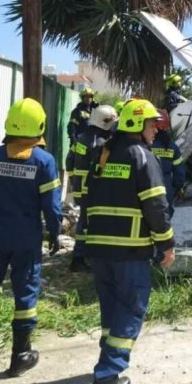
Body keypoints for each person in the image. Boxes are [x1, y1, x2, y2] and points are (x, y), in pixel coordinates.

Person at [83, 98, 174, 384]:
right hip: (131, 250)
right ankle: (108, 374)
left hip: (99, 250)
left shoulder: (103, 153)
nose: (155, 131)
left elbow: (87, 197)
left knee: (111, 308)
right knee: (132, 306)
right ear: (137, 125)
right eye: (151, 124)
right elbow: (156, 206)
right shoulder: (141, 156)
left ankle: (107, 359)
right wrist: (166, 244)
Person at [0, 98, 61, 377]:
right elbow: (51, 206)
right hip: (26, 239)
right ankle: (21, 355)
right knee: (25, 294)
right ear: (39, 126)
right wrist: (55, 232)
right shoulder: (44, 161)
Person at [66, 104, 118, 273]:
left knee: (84, 219)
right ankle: (82, 257)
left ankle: (80, 256)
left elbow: (69, 160)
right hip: (92, 188)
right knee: (91, 222)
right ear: (105, 123)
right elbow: (100, 169)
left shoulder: (81, 138)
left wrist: (73, 178)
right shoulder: (101, 143)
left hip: (80, 187)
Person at [149, 110, 185, 216]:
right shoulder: (171, 145)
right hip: (166, 188)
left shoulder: (144, 144)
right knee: (165, 216)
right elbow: (179, 171)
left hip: (147, 187)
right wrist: (178, 187)